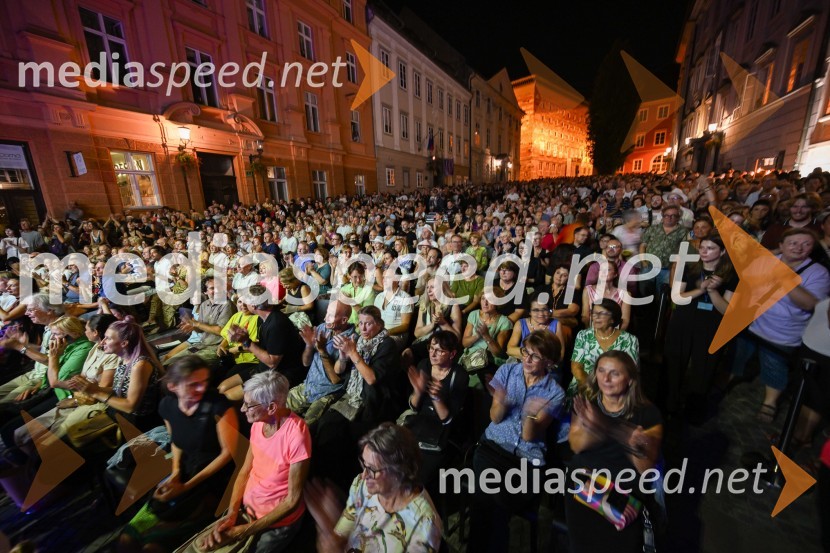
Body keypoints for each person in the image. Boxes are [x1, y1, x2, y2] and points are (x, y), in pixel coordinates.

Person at [181, 371, 310, 553]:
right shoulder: (258, 424)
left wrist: (243, 531)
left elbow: (292, 501)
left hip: (276, 523)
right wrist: (232, 512)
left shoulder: (296, 436)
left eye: (248, 405)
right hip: (247, 510)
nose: (242, 409)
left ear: (271, 407)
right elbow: (245, 471)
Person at [119, 355, 238, 552]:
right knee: (126, 539)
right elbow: (176, 442)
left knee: (152, 547)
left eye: (204, 382)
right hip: (185, 472)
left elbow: (227, 454)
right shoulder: (167, 406)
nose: (201, 389)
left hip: (215, 479)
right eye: (193, 385)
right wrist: (175, 473)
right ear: (173, 386)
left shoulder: (219, 406)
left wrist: (186, 487)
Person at [467, 330, 566, 553]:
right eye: (525, 352)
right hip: (492, 449)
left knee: (494, 503)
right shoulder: (507, 371)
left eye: (535, 356)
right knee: (487, 503)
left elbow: (530, 436)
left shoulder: (555, 393)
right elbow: (495, 418)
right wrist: (500, 401)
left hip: (526, 462)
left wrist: (529, 414)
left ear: (549, 362)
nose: (527, 359)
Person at [565, 350, 663, 553]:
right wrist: (600, 430)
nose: (606, 379)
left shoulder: (648, 414)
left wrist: (610, 429)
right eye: (601, 371)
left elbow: (645, 469)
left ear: (630, 380)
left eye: (614, 373)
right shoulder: (587, 402)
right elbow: (576, 445)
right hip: (585, 485)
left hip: (623, 492)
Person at [731, 228, 830, 422]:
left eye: (806, 244)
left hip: (782, 333)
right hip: (752, 323)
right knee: (739, 356)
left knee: (774, 366)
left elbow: (809, 304)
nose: (799, 248)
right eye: (793, 243)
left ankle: (770, 402)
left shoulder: (818, 273)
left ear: (812, 248)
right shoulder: (767, 262)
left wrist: (784, 277)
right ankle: (729, 380)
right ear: (781, 246)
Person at [306, 423, 442, 553]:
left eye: (372, 469)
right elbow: (347, 523)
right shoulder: (362, 485)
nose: (364, 475)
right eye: (364, 464)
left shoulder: (423, 526)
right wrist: (333, 535)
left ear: (398, 472)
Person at [312, 306, 400, 488]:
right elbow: (338, 371)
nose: (363, 328)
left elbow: (371, 378)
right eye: (360, 323)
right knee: (324, 426)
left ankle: (342, 483)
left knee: (344, 436)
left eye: (368, 324)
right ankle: (324, 478)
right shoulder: (358, 340)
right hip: (352, 395)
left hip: (373, 401)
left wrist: (353, 353)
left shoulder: (387, 344)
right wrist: (343, 356)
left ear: (379, 324)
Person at [663, 235, 736, 421]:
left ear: (722, 251)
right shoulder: (689, 268)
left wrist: (712, 291)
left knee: (704, 369)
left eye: (710, 248)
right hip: (683, 321)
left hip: (710, 325)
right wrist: (700, 289)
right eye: (702, 247)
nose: (704, 251)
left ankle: (694, 410)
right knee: (674, 362)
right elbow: (676, 297)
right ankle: (669, 405)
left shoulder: (731, 275)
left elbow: (726, 310)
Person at [68, 318, 163, 432]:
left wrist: (96, 392)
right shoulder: (124, 360)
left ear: (124, 343)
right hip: (123, 416)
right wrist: (91, 388)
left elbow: (130, 406)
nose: (102, 342)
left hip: (139, 424)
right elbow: (120, 389)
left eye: (108, 338)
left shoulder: (140, 365)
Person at [400, 331, 468, 489]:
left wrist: (436, 398)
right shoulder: (424, 365)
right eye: (431, 348)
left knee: (420, 477)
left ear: (452, 354)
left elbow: (448, 419)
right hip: (420, 423)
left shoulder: (459, 375)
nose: (433, 353)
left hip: (441, 432)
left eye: (439, 350)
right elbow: (414, 407)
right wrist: (418, 392)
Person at [220, 285, 306, 398]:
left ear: (253, 305)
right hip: (264, 369)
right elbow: (265, 347)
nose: (244, 304)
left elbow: (272, 362)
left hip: (279, 375)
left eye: (246, 301)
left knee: (227, 397)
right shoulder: (265, 319)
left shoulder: (276, 324)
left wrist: (246, 342)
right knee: (222, 387)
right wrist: (244, 339)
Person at [287, 300, 356, 425]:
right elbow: (306, 363)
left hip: (327, 393)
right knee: (278, 409)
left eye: (330, 316)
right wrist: (309, 346)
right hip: (309, 386)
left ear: (344, 320)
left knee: (305, 428)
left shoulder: (350, 341)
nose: (325, 318)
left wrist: (322, 351)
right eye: (326, 314)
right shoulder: (322, 328)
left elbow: (335, 380)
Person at [570, 299, 639, 397]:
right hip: (585, 386)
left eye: (601, 313)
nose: (596, 317)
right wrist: (590, 387)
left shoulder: (629, 340)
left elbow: (631, 371)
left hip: (615, 388)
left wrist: (607, 389)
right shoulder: (583, 335)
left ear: (613, 318)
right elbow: (576, 367)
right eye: (594, 313)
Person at [506, 290, 567, 361]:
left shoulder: (556, 324)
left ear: (549, 310)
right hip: (524, 362)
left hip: (547, 364)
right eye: (536, 310)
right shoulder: (520, 324)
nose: (541, 314)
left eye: (544, 309)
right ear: (529, 312)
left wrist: (539, 359)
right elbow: (510, 349)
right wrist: (532, 354)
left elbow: (560, 354)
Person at [581, 261, 631, 330]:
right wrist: (589, 333)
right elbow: (585, 316)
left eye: (608, 269)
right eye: (601, 270)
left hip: (615, 331)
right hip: (593, 330)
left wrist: (617, 335)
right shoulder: (588, 290)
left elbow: (625, 320)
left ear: (615, 274)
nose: (603, 272)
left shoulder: (625, 294)